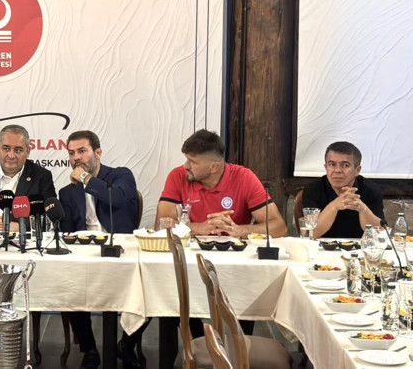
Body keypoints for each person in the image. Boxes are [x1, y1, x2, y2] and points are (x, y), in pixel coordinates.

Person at [58, 130, 143, 369]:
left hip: (121, 252)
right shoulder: (67, 192)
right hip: (85, 256)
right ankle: (90, 350)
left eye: (82, 151)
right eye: (71, 153)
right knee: (69, 286)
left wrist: (85, 178)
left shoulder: (121, 176)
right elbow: (67, 233)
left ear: (98, 152)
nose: (76, 157)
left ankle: (126, 344)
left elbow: (117, 198)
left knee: (149, 287)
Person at [155, 129, 288, 238]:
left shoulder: (244, 177)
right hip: (189, 252)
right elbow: (161, 226)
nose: (185, 166)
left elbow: (280, 228)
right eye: (186, 159)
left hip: (236, 254)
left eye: (192, 162)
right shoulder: (178, 176)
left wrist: (239, 230)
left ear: (214, 167)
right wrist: (199, 228)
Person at [304, 141, 383, 239]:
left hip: (360, 246)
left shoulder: (371, 190)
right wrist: (334, 206)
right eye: (332, 164)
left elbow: (380, 234)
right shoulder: (313, 190)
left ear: (357, 170)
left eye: (345, 165)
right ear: (326, 167)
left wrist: (363, 209)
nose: (337, 170)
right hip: (320, 246)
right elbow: (310, 234)